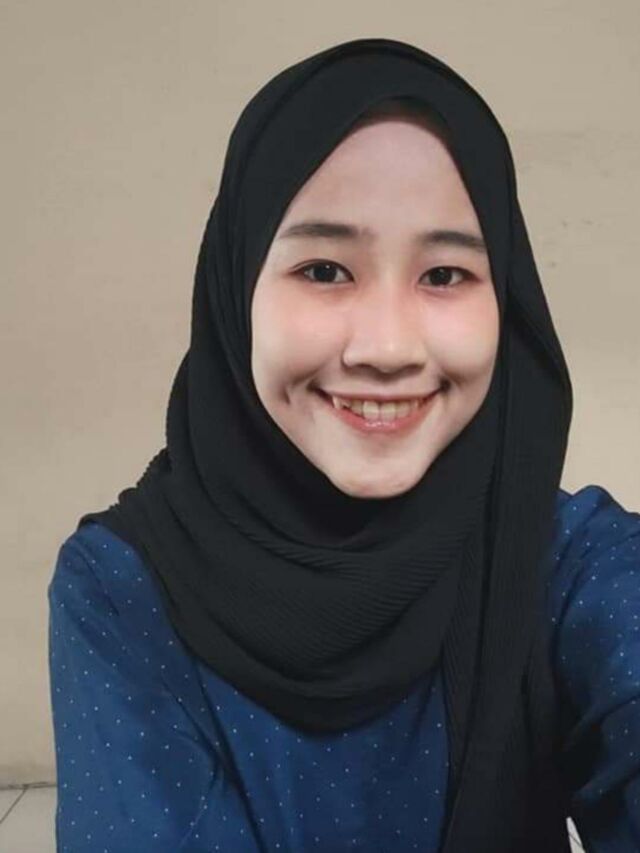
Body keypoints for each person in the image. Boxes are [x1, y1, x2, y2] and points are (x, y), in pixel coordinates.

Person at [47, 37, 640, 852]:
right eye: (325, 270)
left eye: (444, 275)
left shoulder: (562, 560)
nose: (387, 347)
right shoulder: (121, 594)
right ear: (236, 289)